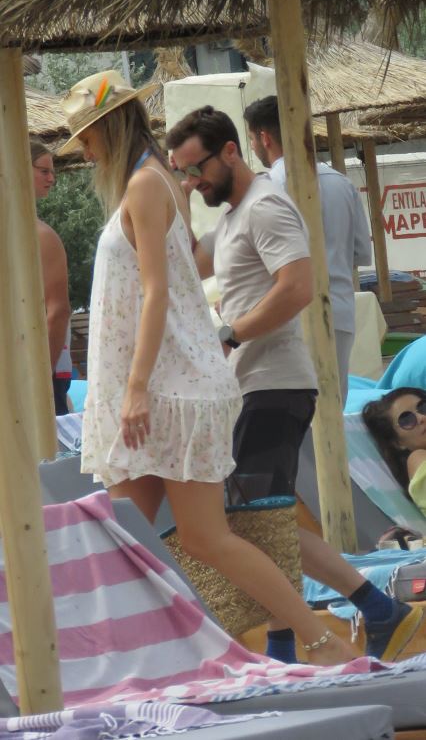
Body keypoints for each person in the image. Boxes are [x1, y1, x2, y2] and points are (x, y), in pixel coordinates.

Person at [58, 69, 354, 667]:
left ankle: (320, 641)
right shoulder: (153, 182)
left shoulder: (147, 184)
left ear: (107, 129)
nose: (85, 153)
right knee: (133, 539)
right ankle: (140, 659)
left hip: (167, 388)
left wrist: (136, 388)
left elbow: (158, 292)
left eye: (86, 139)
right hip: (161, 385)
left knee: (198, 537)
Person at [167, 105, 423, 664]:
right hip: (255, 387)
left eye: (197, 168)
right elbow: (180, 262)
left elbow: (298, 287)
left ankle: (341, 622)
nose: (194, 180)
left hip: (275, 386)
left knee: (254, 523)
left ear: (232, 150)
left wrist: (231, 334)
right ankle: (341, 622)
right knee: (262, 524)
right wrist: (176, 195)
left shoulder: (265, 207)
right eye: (184, 172)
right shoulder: (230, 219)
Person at [243, 95, 372, 405]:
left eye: (252, 139)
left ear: (265, 138)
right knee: (333, 412)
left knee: (294, 417)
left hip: (289, 319)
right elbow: (360, 254)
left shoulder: (265, 190)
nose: (253, 147)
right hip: (339, 312)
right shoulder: (341, 184)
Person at [31, 138, 72, 415]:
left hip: (43, 370)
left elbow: (58, 311)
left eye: (52, 172)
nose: (52, 179)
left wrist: (39, 375)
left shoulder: (43, 236)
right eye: (44, 171)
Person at [363, 387, 426, 517]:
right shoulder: (417, 458)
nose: (421, 417)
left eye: (423, 407)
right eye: (406, 420)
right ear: (398, 443)